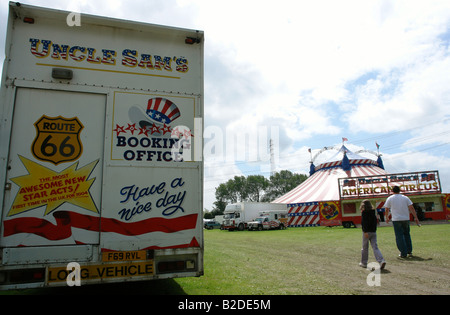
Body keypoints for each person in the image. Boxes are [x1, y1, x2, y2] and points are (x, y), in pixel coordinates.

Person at [385, 186, 420, 258]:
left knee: (399, 236)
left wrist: (387, 217)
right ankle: (409, 250)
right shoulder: (405, 197)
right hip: (405, 218)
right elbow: (411, 207)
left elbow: (386, 209)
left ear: (392, 191)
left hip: (396, 219)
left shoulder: (390, 198)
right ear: (399, 190)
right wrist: (415, 217)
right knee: (407, 234)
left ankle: (403, 253)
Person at [359, 200, 386, 269]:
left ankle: (364, 263)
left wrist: (365, 231)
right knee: (375, 247)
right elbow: (375, 222)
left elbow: (363, 223)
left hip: (366, 232)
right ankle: (381, 260)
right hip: (373, 231)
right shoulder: (373, 212)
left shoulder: (364, 213)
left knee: (365, 248)